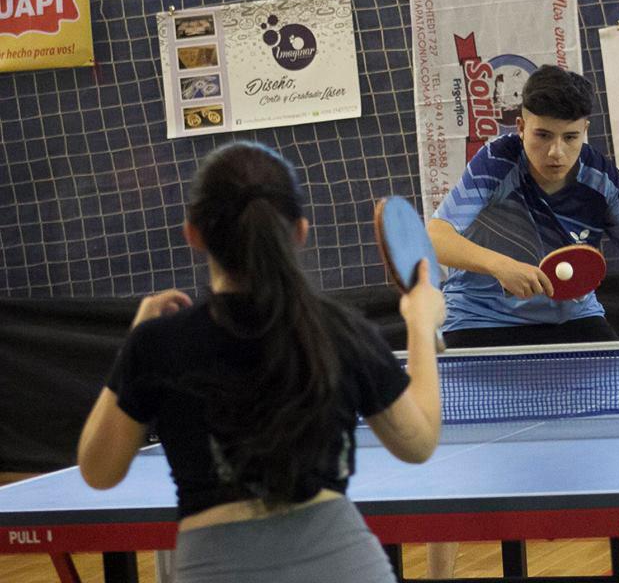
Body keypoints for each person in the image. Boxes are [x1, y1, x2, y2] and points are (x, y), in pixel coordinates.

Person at [77, 141, 446, 583]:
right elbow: (418, 442)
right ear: (301, 231)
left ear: (192, 234)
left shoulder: (158, 344)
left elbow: (98, 472)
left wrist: (134, 344)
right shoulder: (341, 331)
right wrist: (420, 324)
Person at [425, 65, 619, 576]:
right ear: (520, 125)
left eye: (569, 138)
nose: (555, 153)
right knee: (461, 450)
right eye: (541, 135)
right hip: (482, 318)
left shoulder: (600, 178)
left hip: (572, 314)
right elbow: (435, 235)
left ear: (585, 131)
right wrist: (499, 265)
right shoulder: (495, 163)